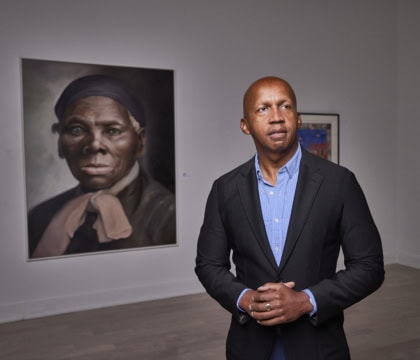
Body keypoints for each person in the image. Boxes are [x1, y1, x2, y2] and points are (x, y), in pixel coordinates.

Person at [195, 76, 384, 359]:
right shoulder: (224, 190)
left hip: (319, 347)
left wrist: (307, 301)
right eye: (263, 109)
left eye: (285, 106)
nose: (276, 118)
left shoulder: (339, 183)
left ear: (297, 119)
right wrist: (245, 299)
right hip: (250, 347)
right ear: (245, 125)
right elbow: (209, 264)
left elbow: (370, 266)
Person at [28, 74, 176, 258]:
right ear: (59, 142)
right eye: (77, 129)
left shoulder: (171, 218)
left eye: (113, 131)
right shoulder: (39, 218)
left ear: (140, 142)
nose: (95, 145)